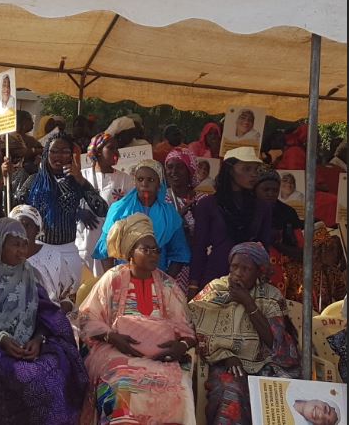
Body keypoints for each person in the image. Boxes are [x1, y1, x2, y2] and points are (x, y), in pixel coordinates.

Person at [0, 218, 89, 425]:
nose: (22, 250)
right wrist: (0, 339)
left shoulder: (31, 275)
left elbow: (47, 315)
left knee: (55, 365)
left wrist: (38, 339)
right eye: (15, 244)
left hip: (26, 347)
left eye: (24, 244)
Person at [79, 214, 197, 425]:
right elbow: (88, 318)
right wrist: (112, 337)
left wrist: (181, 346)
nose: (154, 255)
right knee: (121, 384)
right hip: (116, 352)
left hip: (163, 357)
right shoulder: (112, 279)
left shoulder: (168, 285)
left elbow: (186, 328)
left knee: (179, 388)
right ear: (130, 253)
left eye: (156, 250)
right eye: (146, 250)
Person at [189, 242, 301, 425]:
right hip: (224, 363)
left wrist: (248, 302)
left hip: (265, 363)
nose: (238, 273)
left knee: (281, 392)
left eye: (246, 268)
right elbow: (195, 326)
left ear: (259, 272)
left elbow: (276, 341)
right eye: (234, 267)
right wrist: (226, 355)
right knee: (231, 389)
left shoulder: (271, 296)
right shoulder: (216, 289)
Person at [15, 132, 108, 289]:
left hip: (69, 252)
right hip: (38, 251)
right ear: (46, 154)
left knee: (67, 303)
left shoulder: (76, 181)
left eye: (65, 151)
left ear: (71, 155)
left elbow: (102, 209)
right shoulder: (33, 181)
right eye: (54, 151)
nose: (59, 156)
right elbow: (16, 210)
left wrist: (81, 181)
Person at [188, 146, 272, 298]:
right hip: (215, 278)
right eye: (247, 169)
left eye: (255, 170)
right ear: (230, 170)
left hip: (249, 281)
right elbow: (199, 247)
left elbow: (264, 247)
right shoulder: (208, 205)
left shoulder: (262, 207)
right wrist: (193, 286)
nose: (253, 175)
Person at [94, 159, 191, 284]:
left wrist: (164, 282)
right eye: (140, 179)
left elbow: (179, 252)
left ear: (159, 184)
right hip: (123, 279)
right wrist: (113, 281)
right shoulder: (119, 209)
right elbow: (105, 248)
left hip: (156, 279)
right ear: (135, 182)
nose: (144, 184)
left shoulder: (170, 214)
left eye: (151, 180)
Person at [78, 132, 135, 275]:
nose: (116, 153)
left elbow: (131, 211)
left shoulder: (125, 180)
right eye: (111, 148)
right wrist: (78, 212)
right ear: (97, 151)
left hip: (112, 245)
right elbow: (67, 205)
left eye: (117, 148)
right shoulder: (81, 176)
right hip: (84, 243)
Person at [10, 205, 76, 311]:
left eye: (27, 225)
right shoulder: (4, 259)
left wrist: (56, 316)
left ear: (37, 229)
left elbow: (69, 296)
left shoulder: (53, 257)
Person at [254, 168, 304, 297]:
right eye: (266, 190)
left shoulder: (288, 212)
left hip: (284, 279)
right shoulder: (247, 211)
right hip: (251, 273)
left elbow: (302, 252)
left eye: (275, 190)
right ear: (255, 189)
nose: (271, 193)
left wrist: (277, 244)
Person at [165, 147, 208, 289]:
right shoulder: (161, 199)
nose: (173, 172)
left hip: (196, 267)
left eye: (179, 167)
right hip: (167, 267)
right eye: (169, 167)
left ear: (190, 170)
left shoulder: (204, 200)